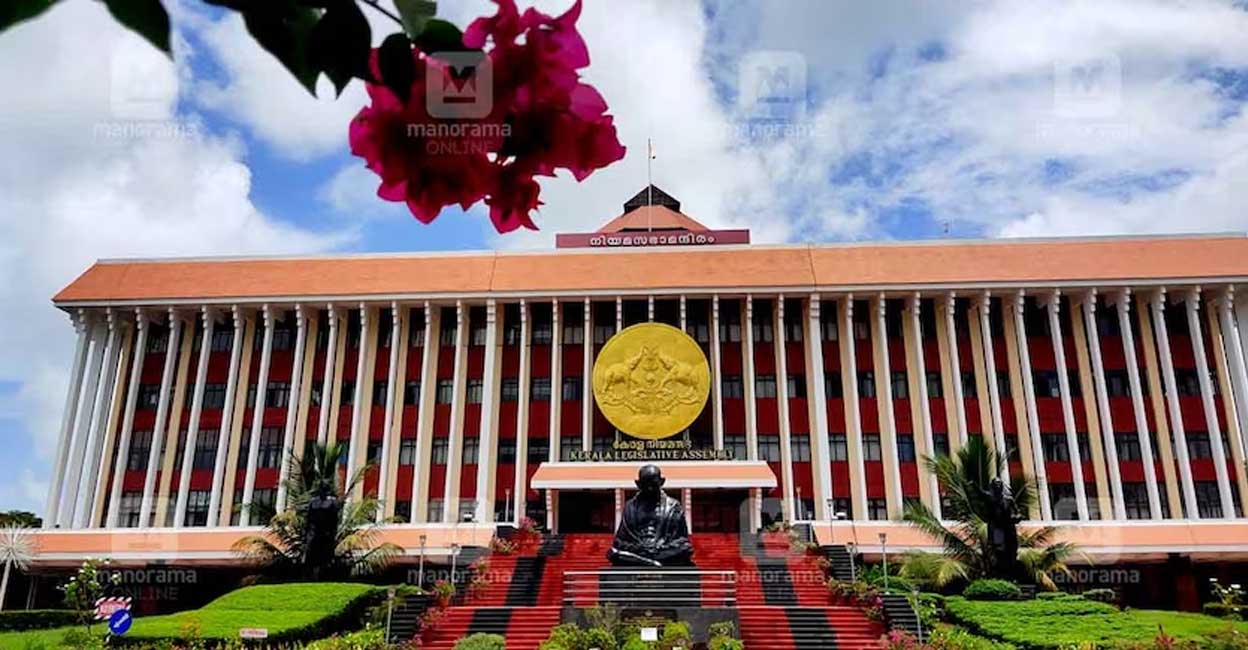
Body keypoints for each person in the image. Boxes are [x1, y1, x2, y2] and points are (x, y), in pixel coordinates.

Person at [607, 464, 694, 566]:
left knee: (685, 549)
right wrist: (639, 548)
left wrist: (660, 548)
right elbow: (620, 540)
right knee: (613, 552)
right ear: (638, 484)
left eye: (653, 484)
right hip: (638, 549)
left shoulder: (673, 506)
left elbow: (682, 539)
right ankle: (650, 561)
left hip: (663, 551)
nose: (650, 489)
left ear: (661, 482)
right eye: (645, 485)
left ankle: (643, 560)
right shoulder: (630, 507)